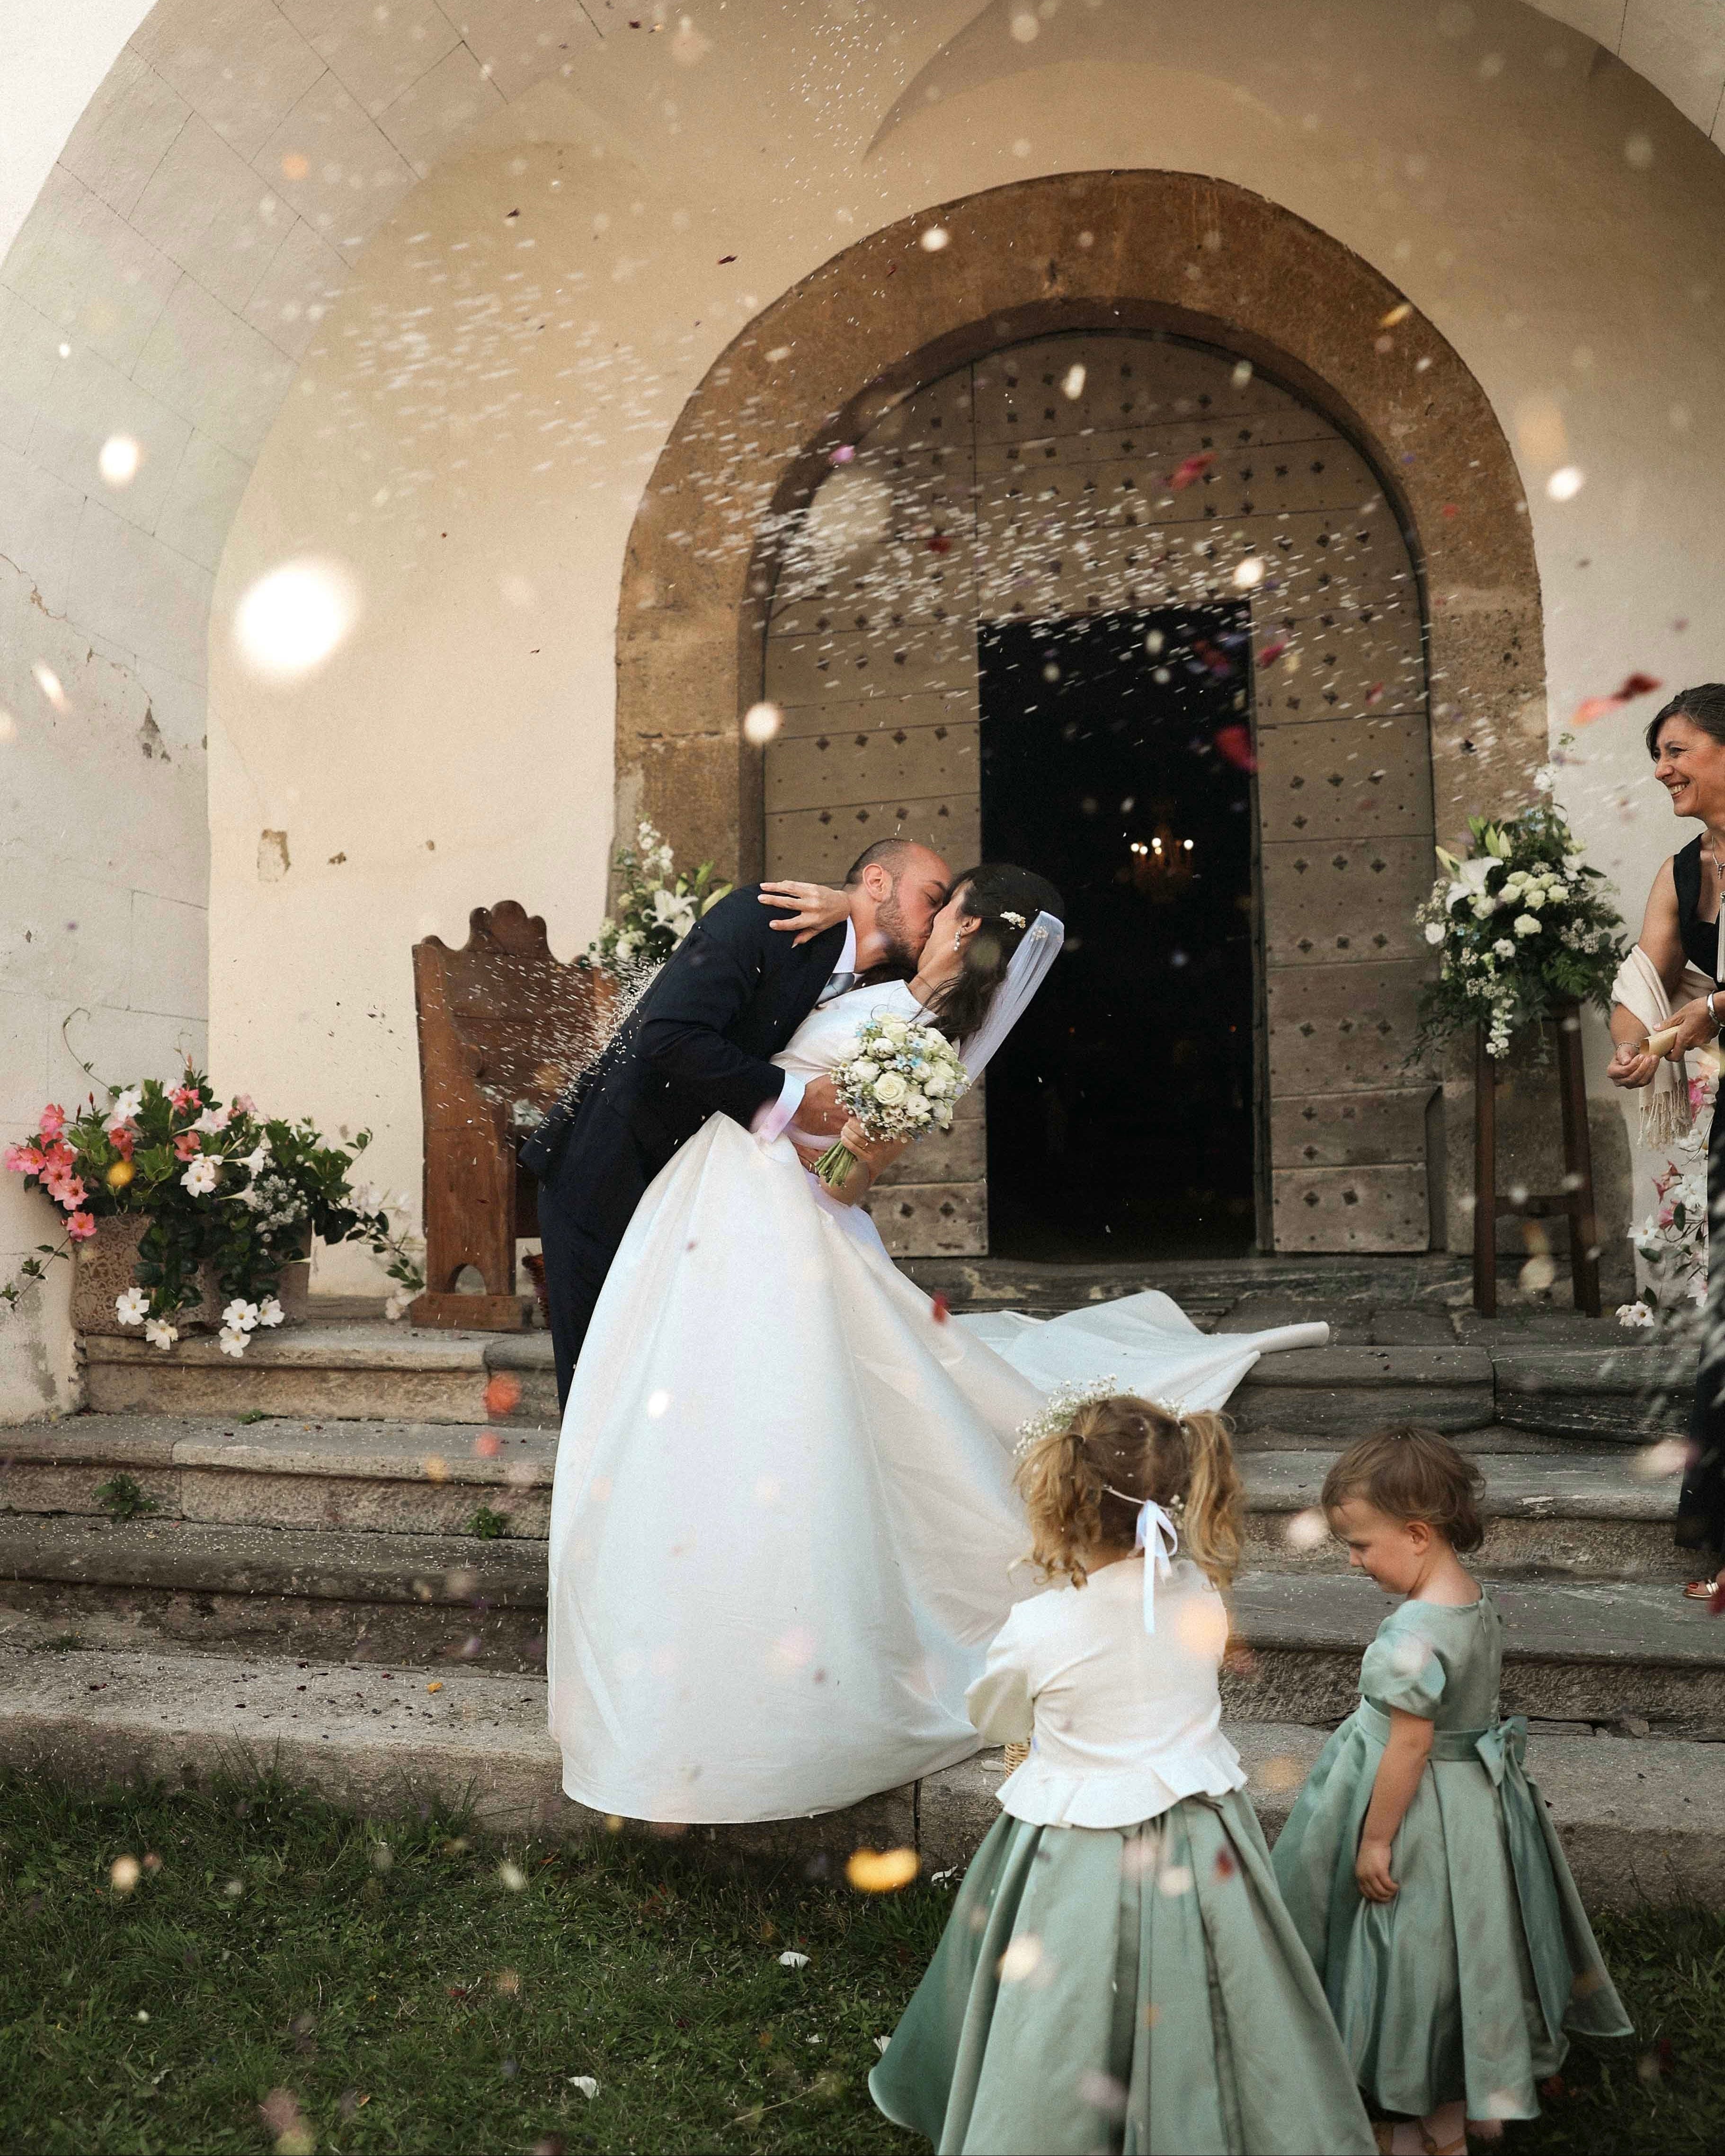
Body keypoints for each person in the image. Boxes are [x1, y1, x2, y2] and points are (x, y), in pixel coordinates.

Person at [545, 862, 1329, 1824]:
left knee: (769, 1415)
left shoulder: (927, 1044)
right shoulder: (879, 988)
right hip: (701, 1202)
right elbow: (800, 997)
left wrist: (822, 1128)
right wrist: (844, 916)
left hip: (773, 1220)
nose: (921, 918)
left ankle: (736, 1652)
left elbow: (840, 1181)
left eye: (937, 904)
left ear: (958, 918)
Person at [868, 1390, 1376, 2156]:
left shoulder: (1037, 1628)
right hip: (1204, 1841)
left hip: (1076, 1852)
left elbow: (998, 1721)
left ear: (1058, 1501)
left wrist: (1032, 1740)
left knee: (1062, 2009)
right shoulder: (1200, 1593)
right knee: (1217, 1989)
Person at [1270, 1428, 1631, 2156]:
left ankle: (1421, 2122)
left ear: (1416, 1533)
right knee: (1466, 1949)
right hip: (1473, 1800)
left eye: (1362, 1544)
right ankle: (1456, 2110)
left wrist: (1374, 1835)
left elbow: (1409, 1742)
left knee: (1413, 1951)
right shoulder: (1470, 1597)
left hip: (1419, 1810)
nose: (1352, 1559)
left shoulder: (1417, 1628)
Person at [523, 836, 953, 1405]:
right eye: (932, 898)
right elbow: (668, 1035)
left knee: (684, 1384)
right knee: (601, 1385)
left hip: (711, 1203)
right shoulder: (770, 916)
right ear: (876, 883)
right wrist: (796, 1100)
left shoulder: (882, 994)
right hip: (613, 1171)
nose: (938, 919)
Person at [1603, 684, 1725, 1600]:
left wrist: (1707, 1012)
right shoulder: (1683, 869)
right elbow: (1644, 972)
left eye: (1676, 750)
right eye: (1657, 753)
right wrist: (1631, 1046)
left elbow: (1699, 1005)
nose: (1660, 770)